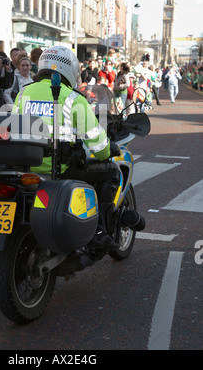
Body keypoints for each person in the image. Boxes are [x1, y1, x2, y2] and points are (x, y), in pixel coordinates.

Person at [13, 46, 125, 253]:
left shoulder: (24, 93)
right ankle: (100, 232)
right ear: (69, 69)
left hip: (28, 168)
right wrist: (110, 149)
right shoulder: (74, 99)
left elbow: (14, 127)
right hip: (61, 169)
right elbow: (98, 147)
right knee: (111, 171)